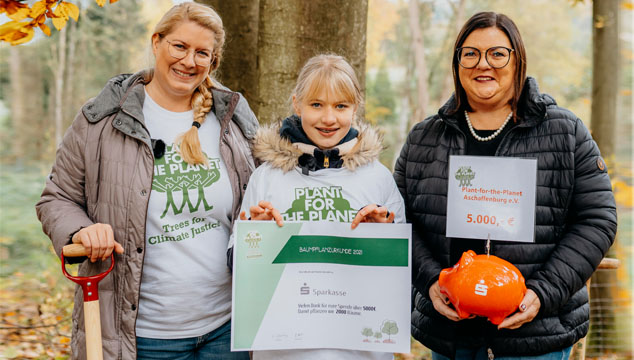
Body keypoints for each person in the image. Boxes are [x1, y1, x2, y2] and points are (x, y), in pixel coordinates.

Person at [36, 2, 256, 359]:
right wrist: (80, 229)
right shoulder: (102, 120)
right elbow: (56, 198)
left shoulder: (232, 119)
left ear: (213, 62)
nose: (189, 61)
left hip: (226, 330)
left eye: (202, 53)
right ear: (157, 42)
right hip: (141, 336)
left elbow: (264, 190)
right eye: (180, 46)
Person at [394, 11, 617, 360]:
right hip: (451, 333)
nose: (483, 64)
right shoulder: (425, 138)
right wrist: (430, 282)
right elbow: (398, 220)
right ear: (457, 63)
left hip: (535, 334)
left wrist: (544, 293)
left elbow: (597, 220)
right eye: (470, 53)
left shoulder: (564, 131)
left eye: (498, 53)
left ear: (518, 60)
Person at [230, 54, 405, 360]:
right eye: (316, 105)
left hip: (359, 351)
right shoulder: (267, 177)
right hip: (283, 350)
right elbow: (238, 269)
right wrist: (254, 236)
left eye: (341, 106)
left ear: (355, 107)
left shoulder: (378, 178)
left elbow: (400, 278)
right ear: (297, 104)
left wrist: (383, 238)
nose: (328, 119)